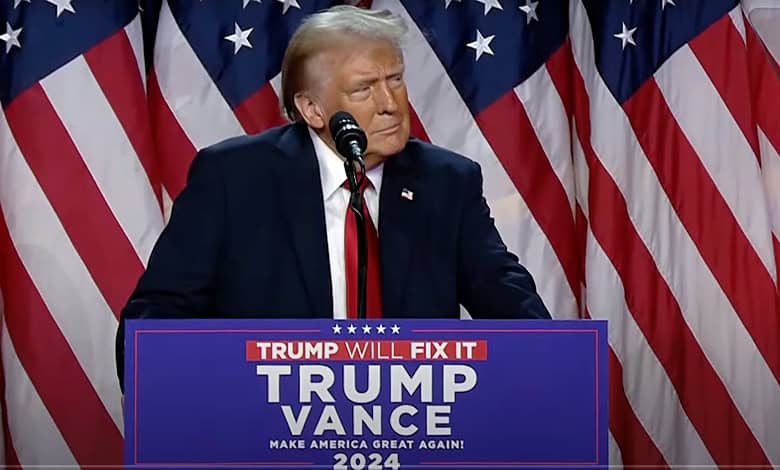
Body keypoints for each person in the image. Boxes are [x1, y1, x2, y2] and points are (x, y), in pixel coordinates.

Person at [116, 5, 550, 388]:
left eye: (395, 80)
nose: (390, 103)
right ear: (312, 109)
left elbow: (508, 301)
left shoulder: (446, 182)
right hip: (266, 427)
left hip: (414, 426)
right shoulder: (234, 179)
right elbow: (157, 315)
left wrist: (554, 369)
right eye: (364, 89)